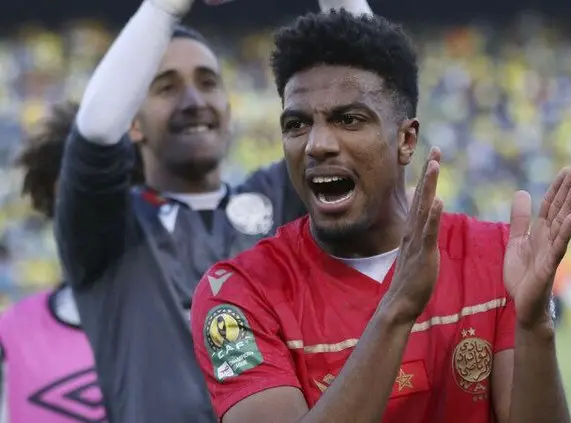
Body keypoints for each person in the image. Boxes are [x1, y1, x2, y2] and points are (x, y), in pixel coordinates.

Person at [191, 11, 571, 423]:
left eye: (349, 119)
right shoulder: (238, 293)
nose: (317, 144)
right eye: (297, 124)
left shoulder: (495, 258)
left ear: (406, 140)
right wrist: (398, 307)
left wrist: (535, 326)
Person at [54, 0, 368, 421]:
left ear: (229, 108)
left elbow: (372, 98)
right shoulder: (109, 230)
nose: (194, 100)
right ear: (133, 121)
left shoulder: (283, 199)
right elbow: (95, 133)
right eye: (166, 87)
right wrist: (164, 8)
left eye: (207, 83)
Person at [0, 101, 108, 423]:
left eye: (103, 190)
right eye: (72, 195)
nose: (87, 210)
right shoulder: (10, 335)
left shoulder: (182, 321)